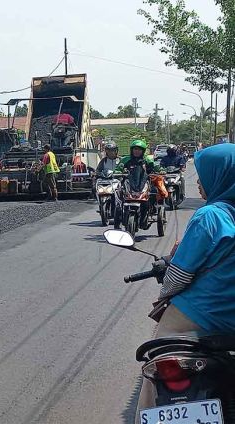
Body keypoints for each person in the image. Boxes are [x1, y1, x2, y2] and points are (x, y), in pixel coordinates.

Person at [135, 143, 235, 417]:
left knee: (156, 366)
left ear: (221, 176)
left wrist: (164, 293)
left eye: (204, 176)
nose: (200, 184)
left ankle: (148, 414)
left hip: (201, 316)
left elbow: (178, 276)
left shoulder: (210, 216)